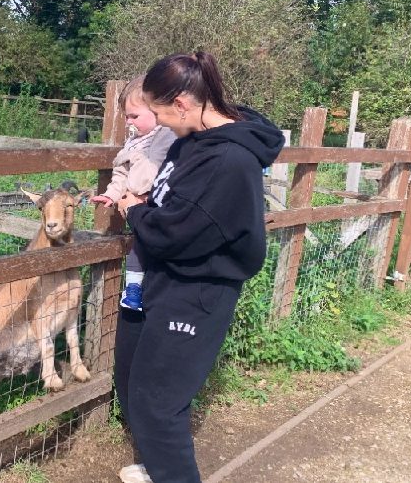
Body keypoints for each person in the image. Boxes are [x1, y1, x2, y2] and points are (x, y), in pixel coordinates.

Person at [115, 52, 284, 483]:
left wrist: (134, 211)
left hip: (198, 293)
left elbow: (177, 230)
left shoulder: (229, 162)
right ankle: (159, 468)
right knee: (140, 387)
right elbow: (174, 202)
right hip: (170, 282)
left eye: (159, 112)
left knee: (158, 404)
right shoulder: (196, 138)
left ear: (184, 104)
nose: (159, 122)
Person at [90, 75, 177, 311]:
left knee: (156, 249)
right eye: (127, 117)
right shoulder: (132, 143)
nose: (129, 123)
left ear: (156, 110)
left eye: (134, 116)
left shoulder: (167, 136)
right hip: (138, 208)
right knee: (138, 247)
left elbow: (149, 176)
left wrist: (135, 161)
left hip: (159, 205)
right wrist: (112, 194)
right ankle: (134, 290)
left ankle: (153, 291)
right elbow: (120, 175)